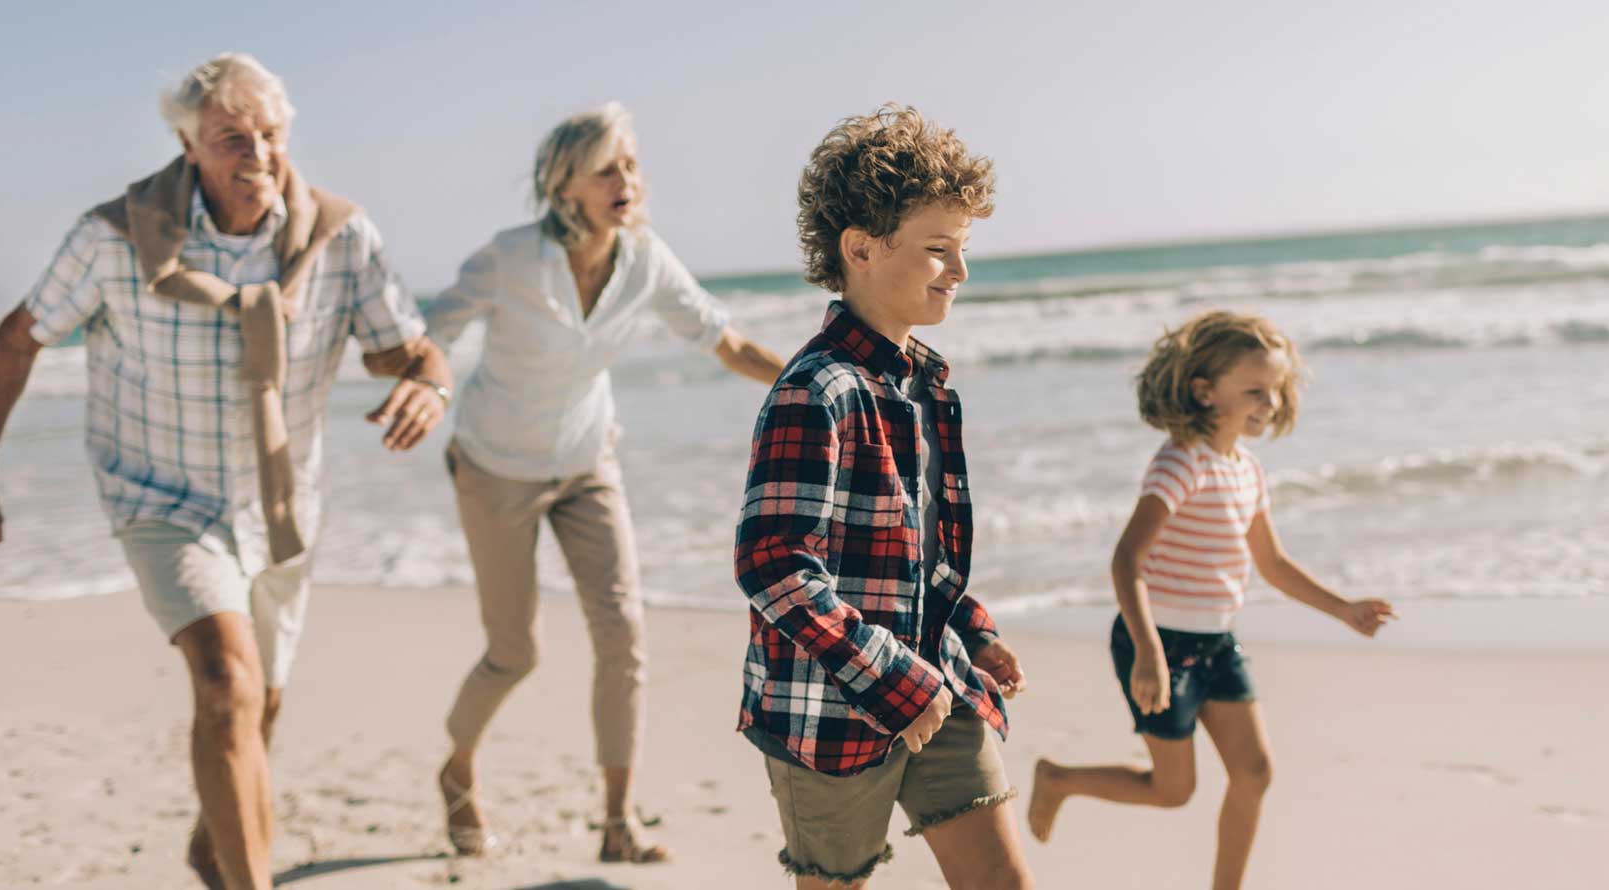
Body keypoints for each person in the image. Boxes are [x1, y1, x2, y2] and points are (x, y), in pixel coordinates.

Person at [0, 53, 452, 889]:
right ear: (187, 145)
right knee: (227, 683)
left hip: (282, 502)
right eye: (230, 137)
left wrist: (430, 380)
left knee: (262, 701)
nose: (256, 152)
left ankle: (212, 845)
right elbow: (16, 337)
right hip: (160, 493)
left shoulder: (339, 235)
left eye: (270, 134)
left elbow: (400, 345)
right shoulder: (116, 236)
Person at [423, 102, 784, 863]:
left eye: (631, 164)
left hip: (588, 463)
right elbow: (435, 335)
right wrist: (419, 383)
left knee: (623, 637)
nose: (627, 180)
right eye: (607, 168)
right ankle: (457, 770)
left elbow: (727, 340)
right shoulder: (511, 257)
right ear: (566, 186)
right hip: (495, 468)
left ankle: (617, 825)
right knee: (514, 652)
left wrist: (818, 379)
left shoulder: (646, 258)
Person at [732, 104, 1035, 890]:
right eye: (938, 251)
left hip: (941, 680)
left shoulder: (928, 385)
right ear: (860, 249)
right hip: (829, 712)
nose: (959, 273)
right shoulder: (813, 392)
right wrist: (892, 681)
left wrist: (970, 623)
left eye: (963, 249)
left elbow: (915, 553)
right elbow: (772, 564)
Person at [1025, 310, 1396, 889]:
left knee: (1255, 772)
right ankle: (1058, 779)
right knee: (1174, 791)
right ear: (1204, 391)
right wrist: (1148, 652)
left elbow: (1271, 564)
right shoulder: (1182, 461)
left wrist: (1343, 609)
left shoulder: (1247, 470)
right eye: (1253, 391)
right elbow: (1127, 560)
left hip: (1218, 644)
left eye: (1274, 390)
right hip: (1159, 644)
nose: (1268, 404)